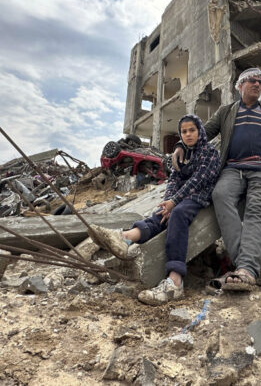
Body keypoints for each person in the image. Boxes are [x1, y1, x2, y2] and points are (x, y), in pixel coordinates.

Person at [173, 67, 261, 290]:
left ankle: (245, 269)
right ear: (239, 86)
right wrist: (181, 144)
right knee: (220, 194)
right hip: (233, 169)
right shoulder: (226, 111)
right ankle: (245, 266)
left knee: (257, 207)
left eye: (260, 82)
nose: (257, 84)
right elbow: (204, 133)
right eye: (251, 81)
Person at [89, 114, 220, 305]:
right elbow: (174, 180)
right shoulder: (181, 155)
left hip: (200, 196)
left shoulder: (210, 152)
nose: (188, 134)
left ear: (200, 131)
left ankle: (175, 281)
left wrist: (174, 202)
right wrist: (167, 202)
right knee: (161, 213)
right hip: (179, 198)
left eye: (192, 130)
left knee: (178, 214)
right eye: (184, 131)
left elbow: (198, 180)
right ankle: (126, 237)